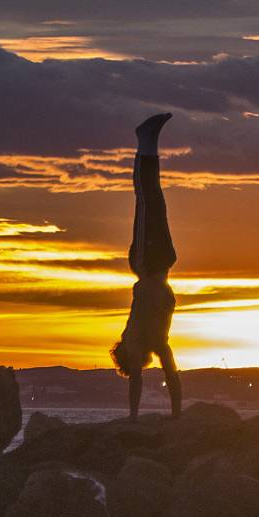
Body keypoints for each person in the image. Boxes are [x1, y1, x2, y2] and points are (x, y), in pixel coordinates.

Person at [112, 112, 181, 420]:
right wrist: (177, 416)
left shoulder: (134, 340)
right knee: (158, 200)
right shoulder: (159, 344)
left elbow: (136, 381)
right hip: (164, 261)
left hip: (145, 261)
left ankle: (145, 141)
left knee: (146, 199)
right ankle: (150, 142)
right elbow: (174, 377)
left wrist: (133, 416)